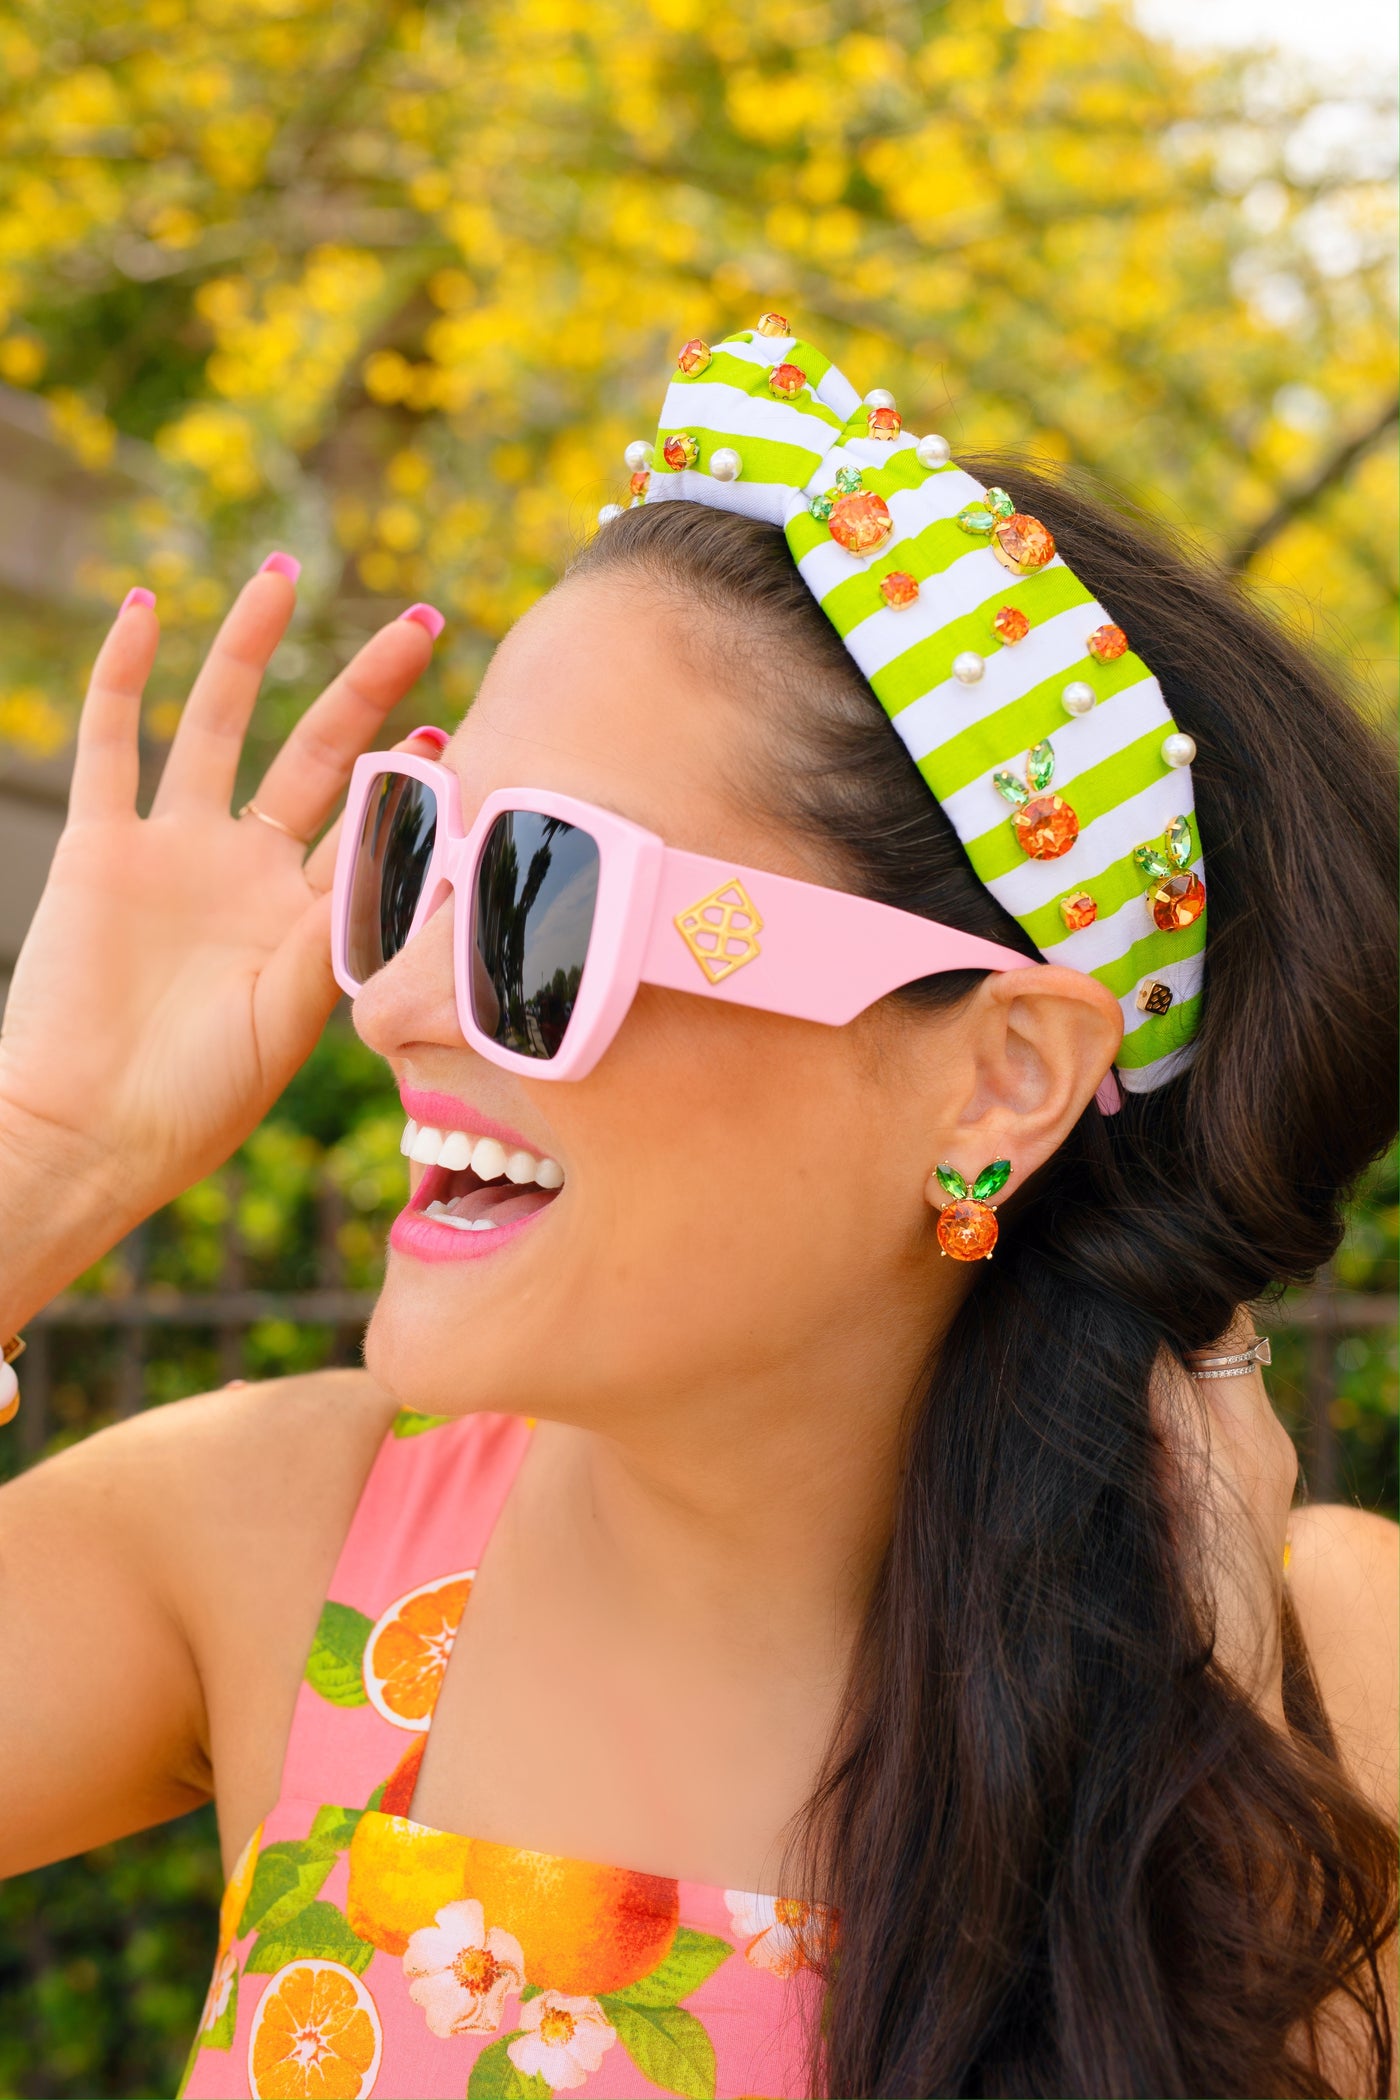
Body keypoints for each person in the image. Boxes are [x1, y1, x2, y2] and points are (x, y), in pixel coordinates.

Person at [0, 320, 1394, 2100]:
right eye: (416, 849)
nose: (396, 1001)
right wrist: (44, 1167)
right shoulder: (280, 1540)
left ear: (1001, 1079)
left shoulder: (1324, 1681)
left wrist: (1200, 1763)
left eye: (543, 896)